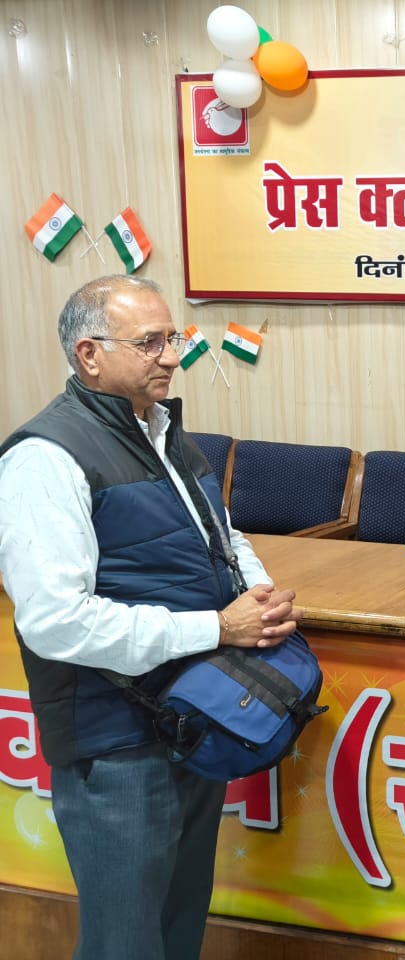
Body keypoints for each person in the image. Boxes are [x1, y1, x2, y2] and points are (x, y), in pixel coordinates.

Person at [0, 275, 298, 960]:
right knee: (125, 943)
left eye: (174, 339)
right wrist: (217, 628)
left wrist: (258, 591)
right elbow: (56, 622)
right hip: (115, 741)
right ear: (89, 354)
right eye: (150, 343)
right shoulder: (45, 458)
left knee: (177, 926)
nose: (170, 356)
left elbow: (222, 534)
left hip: (190, 716)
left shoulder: (163, 433)